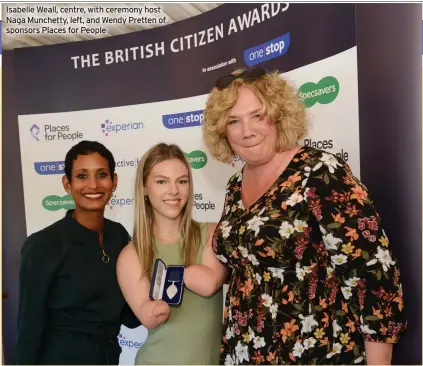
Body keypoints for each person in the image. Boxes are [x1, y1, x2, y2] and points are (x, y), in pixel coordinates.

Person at [199, 68, 407, 365]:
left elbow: (373, 274)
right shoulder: (235, 186)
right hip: (245, 351)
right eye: (234, 121)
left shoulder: (319, 171)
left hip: (317, 353)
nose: (247, 130)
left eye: (257, 115)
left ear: (279, 114)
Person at [13, 140, 140, 365]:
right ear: (67, 183)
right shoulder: (42, 245)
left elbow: (128, 316)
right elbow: (28, 329)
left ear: (114, 181)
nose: (93, 185)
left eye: (101, 174)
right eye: (82, 176)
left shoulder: (118, 235)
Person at [116, 143, 224, 365]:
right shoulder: (132, 255)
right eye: (161, 181)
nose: (174, 191)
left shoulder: (212, 234)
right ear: (145, 188)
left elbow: (209, 283)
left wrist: (175, 274)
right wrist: (154, 310)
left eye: (182, 181)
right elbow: (147, 317)